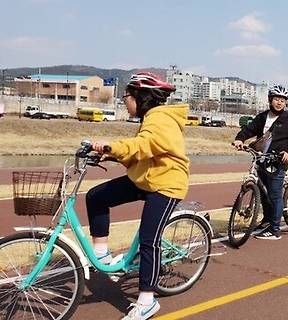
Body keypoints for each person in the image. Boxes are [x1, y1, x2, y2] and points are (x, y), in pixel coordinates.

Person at [85, 72, 189, 320]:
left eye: (127, 96)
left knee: (148, 239)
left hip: (166, 183)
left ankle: (147, 300)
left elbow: (143, 145)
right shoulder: (150, 118)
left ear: (142, 97)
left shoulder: (160, 120)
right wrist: (109, 155)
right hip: (147, 177)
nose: (124, 101)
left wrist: (111, 146)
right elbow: (142, 152)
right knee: (96, 196)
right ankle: (102, 256)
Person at [232, 85, 288, 240]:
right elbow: (249, 130)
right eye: (277, 99)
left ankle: (275, 229)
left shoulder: (287, 121)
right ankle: (266, 221)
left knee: (275, 195)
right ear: (270, 100)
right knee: (264, 194)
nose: (279, 103)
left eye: (283, 100)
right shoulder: (263, 117)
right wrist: (239, 138)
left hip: (277, 163)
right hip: (261, 160)